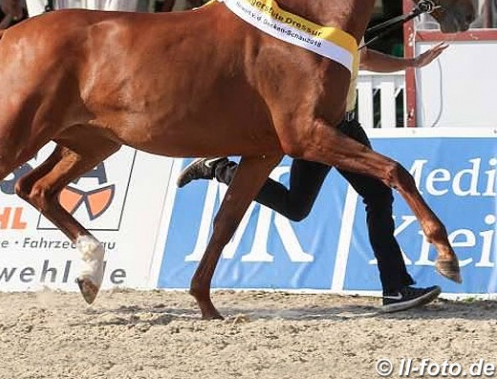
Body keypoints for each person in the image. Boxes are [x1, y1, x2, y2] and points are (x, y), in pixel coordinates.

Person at [177, 42, 451, 313]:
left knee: (309, 205)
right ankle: (394, 288)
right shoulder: (322, 32)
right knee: (360, 198)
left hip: (346, 126)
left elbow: (364, 57)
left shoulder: (348, 30)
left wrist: (412, 63)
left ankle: (395, 288)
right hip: (324, 131)